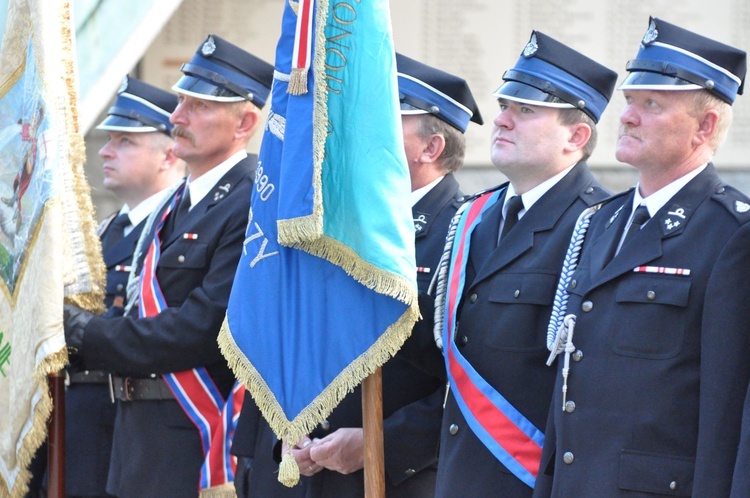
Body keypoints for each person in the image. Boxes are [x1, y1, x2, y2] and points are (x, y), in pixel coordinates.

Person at [231, 53, 484, 498]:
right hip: (294, 469)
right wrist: (275, 441)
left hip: (389, 479)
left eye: (381, 122)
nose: (353, 132)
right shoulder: (327, 221)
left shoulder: (464, 234)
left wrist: (378, 443)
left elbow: (468, 382)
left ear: (431, 149)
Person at [534, 18, 750, 497]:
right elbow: (569, 382)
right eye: (630, 100)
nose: (627, 115)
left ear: (706, 126)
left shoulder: (732, 233)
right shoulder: (600, 222)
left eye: (652, 104)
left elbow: (729, 406)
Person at [62, 34, 273, 498]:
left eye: (198, 106)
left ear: (246, 122)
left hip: (199, 436)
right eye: (180, 102)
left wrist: (84, 333)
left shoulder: (256, 203)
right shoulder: (172, 206)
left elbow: (205, 327)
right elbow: (138, 312)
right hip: (136, 437)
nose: (178, 118)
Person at [419, 31, 617, 497]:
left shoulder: (599, 226)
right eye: (505, 105)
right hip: (454, 476)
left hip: (531, 481)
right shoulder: (473, 218)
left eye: (525, 110)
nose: (502, 120)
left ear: (577, 135)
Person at [64, 76, 185, 498]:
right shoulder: (102, 233)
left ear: (170, 152)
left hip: (130, 421)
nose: (104, 151)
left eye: (125, 141)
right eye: (109, 138)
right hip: (79, 422)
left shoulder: (175, 230)